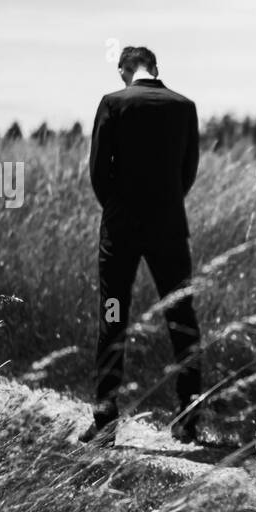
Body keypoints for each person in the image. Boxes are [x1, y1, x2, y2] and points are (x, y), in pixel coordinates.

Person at [80, 45, 203, 445]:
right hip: (169, 225)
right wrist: (165, 204)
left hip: (121, 228)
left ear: (124, 70)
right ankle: (188, 415)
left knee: (113, 317)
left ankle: (106, 420)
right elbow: (188, 171)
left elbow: (99, 170)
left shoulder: (113, 104)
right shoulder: (184, 106)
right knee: (181, 316)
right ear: (155, 68)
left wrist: (117, 210)